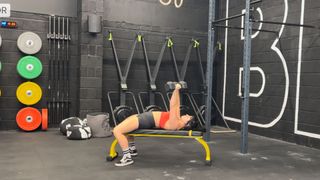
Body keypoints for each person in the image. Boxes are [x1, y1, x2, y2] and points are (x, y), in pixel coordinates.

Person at [112, 83, 194, 166]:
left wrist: (176, 90)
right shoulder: (178, 119)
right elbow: (177, 105)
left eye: (189, 117)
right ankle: (132, 149)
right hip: (145, 117)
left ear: (187, 124)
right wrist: (178, 90)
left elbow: (173, 105)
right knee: (125, 127)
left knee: (117, 131)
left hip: (146, 120)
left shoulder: (175, 123)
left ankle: (127, 158)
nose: (187, 115)